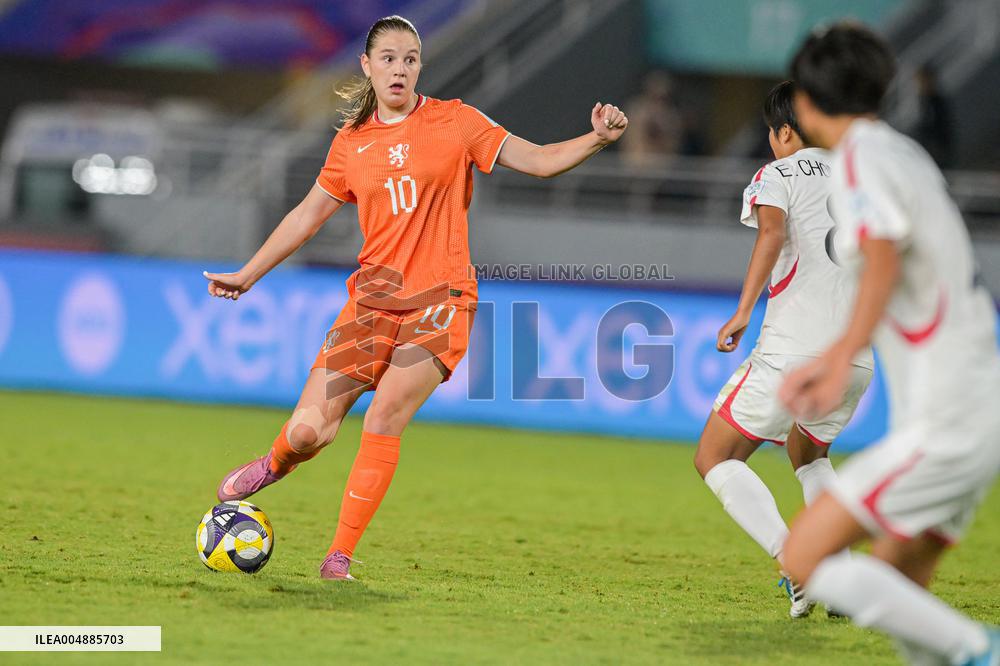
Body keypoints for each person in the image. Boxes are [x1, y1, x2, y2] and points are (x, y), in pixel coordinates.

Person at [202, 15, 628, 581]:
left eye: (409, 59)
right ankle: (274, 464)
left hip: (442, 303)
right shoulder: (351, 143)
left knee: (385, 413)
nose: (399, 69)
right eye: (388, 59)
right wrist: (249, 273)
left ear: (420, 66)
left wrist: (597, 138)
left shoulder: (456, 121)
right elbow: (306, 216)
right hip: (371, 305)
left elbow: (542, 160)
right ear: (368, 66)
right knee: (308, 432)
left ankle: (339, 557)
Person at [779, 23, 1000, 665]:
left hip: (947, 419)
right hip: (976, 403)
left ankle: (981, 650)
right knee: (902, 592)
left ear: (806, 102)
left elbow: (879, 252)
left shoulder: (857, 160)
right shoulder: (901, 151)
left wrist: (831, 355)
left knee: (806, 557)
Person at [693, 80, 873, 618]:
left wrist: (744, 311)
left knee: (714, 457)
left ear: (786, 131)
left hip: (793, 350)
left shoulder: (778, 173)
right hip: (854, 357)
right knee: (807, 452)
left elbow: (771, 234)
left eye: (773, 135)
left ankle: (798, 562)